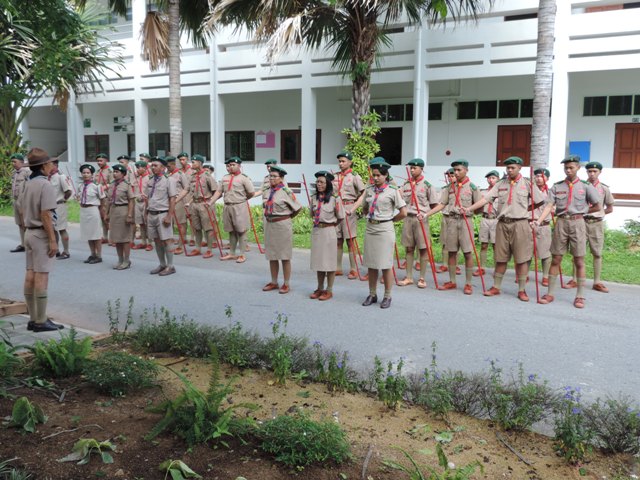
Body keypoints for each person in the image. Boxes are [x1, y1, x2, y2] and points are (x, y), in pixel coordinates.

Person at [466, 157, 545, 301]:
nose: (509, 170)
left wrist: (525, 209)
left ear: (520, 168)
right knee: (500, 257)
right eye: (507, 168)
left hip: (520, 224)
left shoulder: (527, 183)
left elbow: (539, 201)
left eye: (512, 167)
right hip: (502, 224)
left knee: (521, 258)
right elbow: (485, 199)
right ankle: (496, 287)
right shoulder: (500, 184)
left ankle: (522, 290)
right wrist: (469, 209)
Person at [535, 156, 601, 309]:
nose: (568, 170)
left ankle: (580, 296)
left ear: (578, 168)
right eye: (566, 168)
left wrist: (582, 211)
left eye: (571, 167)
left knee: (579, 260)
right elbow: (548, 206)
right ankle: (550, 293)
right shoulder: (557, 186)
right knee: (556, 259)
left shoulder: (586, 186)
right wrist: (538, 221)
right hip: (561, 223)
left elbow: (598, 206)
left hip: (578, 223)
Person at [21, 148, 64, 332]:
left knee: (30, 274)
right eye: (50, 162)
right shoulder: (45, 185)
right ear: (44, 165)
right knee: (42, 276)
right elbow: (46, 214)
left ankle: (33, 318)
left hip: (29, 232)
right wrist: (53, 240)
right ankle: (41, 320)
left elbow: (22, 209)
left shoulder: (28, 183)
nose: (52, 165)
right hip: (41, 234)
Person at [427, 160, 481, 295]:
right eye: (454, 170)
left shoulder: (473, 188)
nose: (456, 173)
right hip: (451, 221)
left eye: (458, 170)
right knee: (451, 251)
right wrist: (426, 214)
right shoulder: (449, 187)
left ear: (466, 170)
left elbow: (480, 207)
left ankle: (468, 283)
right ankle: (452, 281)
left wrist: (469, 210)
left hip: (465, 221)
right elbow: (442, 204)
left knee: (467, 253)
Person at [361, 157, 407, 308]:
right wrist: (369, 215)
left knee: (386, 264)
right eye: (373, 175)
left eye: (378, 175)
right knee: (371, 264)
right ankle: (372, 294)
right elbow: (365, 208)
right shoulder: (369, 190)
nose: (375, 178)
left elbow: (403, 212)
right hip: (371, 228)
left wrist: (391, 219)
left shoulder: (393, 191)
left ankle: (387, 296)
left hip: (385, 229)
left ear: (385, 175)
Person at [564, 161, 615, 293]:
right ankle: (574, 279)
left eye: (595, 171)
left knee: (597, 253)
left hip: (596, 224)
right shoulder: (580, 186)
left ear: (600, 172)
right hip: (580, 222)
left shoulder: (604, 188)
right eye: (589, 171)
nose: (592, 174)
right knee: (577, 252)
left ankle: (597, 282)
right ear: (586, 172)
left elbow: (609, 208)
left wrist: (598, 214)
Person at [399, 158, 439, 288]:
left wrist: (426, 214)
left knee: (423, 249)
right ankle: (409, 277)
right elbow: (399, 200)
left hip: (421, 219)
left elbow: (434, 205)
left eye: (414, 168)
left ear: (421, 169)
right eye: (410, 168)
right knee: (409, 248)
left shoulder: (427, 186)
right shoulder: (405, 185)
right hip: (408, 218)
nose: (412, 170)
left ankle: (422, 278)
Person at [261, 165, 302, 294]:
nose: (271, 178)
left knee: (284, 256)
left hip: (282, 225)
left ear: (281, 178)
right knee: (272, 255)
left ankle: (286, 283)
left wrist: (287, 217)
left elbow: (297, 208)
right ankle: (274, 282)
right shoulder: (267, 190)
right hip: (270, 225)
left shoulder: (286, 191)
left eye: (274, 176)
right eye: (270, 176)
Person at [210, 157, 255, 262]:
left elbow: (251, 192)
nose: (230, 167)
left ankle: (242, 254)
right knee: (231, 231)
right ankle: (232, 253)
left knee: (241, 230)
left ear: (239, 166)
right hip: (228, 206)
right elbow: (219, 191)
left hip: (239, 206)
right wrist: (211, 202)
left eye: (233, 165)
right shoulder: (225, 178)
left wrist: (242, 199)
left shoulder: (244, 178)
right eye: (229, 165)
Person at [309, 171, 344, 301]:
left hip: (329, 232)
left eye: (322, 182)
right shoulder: (314, 198)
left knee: (329, 262)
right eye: (317, 182)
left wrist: (331, 225)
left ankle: (329, 290)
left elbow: (341, 217)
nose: (319, 184)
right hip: (317, 231)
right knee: (319, 262)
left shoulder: (335, 199)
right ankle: (320, 288)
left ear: (328, 184)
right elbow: (312, 214)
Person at [333, 151, 365, 278]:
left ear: (350, 162)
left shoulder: (355, 177)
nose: (340, 163)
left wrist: (354, 208)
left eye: (343, 161)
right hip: (337, 209)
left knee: (350, 240)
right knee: (338, 239)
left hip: (348, 208)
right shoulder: (334, 176)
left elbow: (363, 194)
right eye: (339, 161)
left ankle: (353, 268)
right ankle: (338, 267)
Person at [146, 157, 178, 276]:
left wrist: (169, 216)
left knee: (167, 240)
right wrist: (146, 213)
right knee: (157, 240)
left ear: (163, 168)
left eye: (156, 165)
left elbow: (172, 199)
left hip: (163, 214)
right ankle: (162, 264)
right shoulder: (150, 180)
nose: (153, 167)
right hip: (152, 213)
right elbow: (148, 198)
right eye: (152, 165)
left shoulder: (169, 180)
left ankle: (170, 266)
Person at [185, 154, 219, 257]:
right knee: (197, 227)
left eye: (193, 162)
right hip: (194, 204)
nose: (191, 163)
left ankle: (209, 249)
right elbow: (188, 190)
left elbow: (216, 191)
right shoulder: (192, 176)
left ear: (199, 163)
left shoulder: (207, 176)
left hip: (205, 204)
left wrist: (210, 202)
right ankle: (197, 248)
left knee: (208, 228)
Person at [105, 164, 136, 270]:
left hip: (123, 210)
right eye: (114, 171)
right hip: (114, 211)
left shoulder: (127, 185)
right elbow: (109, 200)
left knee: (124, 238)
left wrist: (130, 215)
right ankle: (120, 259)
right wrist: (106, 213)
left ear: (123, 174)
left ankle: (126, 260)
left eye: (117, 172)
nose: (114, 174)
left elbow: (131, 200)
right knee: (116, 238)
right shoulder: (112, 184)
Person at [77, 164, 105, 264]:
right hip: (84, 210)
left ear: (92, 174)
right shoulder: (80, 186)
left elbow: (102, 199)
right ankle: (92, 254)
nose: (85, 175)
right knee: (88, 233)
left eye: (88, 173)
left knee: (95, 234)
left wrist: (102, 211)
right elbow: (79, 197)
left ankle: (99, 255)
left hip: (93, 210)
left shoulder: (97, 186)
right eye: (84, 173)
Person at [475, 170, 500, 277]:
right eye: (489, 178)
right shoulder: (483, 192)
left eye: (493, 178)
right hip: (485, 218)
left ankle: (497, 268)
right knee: (484, 245)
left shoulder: (501, 192)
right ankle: (482, 268)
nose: (491, 180)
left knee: (495, 246)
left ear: (498, 179)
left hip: (496, 220)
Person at [437, 168, 461, 274]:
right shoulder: (445, 189)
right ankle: (444, 264)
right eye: (449, 176)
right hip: (446, 217)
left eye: (452, 176)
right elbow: (440, 203)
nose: (451, 178)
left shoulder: (461, 188)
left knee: (456, 242)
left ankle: (456, 265)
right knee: (445, 241)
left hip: (456, 217)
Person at [48, 159, 72, 259]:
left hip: (59, 206)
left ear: (55, 165)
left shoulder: (61, 177)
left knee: (61, 228)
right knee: (53, 229)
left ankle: (66, 251)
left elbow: (68, 191)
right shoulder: (48, 177)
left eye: (50, 164)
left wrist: (64, 199)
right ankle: (56, 250)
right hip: (49, 207)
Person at [166, 156, 190, 255]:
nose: (167, 168)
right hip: (167, 201)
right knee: (168, 223)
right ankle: (170, 244)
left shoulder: (180, 174)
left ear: (173, 164)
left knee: (181, 224)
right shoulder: (167, 174)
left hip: (178, 201)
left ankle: (180, 245)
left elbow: (186, 188)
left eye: (168, 166)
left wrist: (178, 200)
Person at [533, 168, 553, 286]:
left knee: (545, 252)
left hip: (544, 225)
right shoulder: (529, 191)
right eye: (537, 176)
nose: (539, 179)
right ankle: (523, 275)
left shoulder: (551, 192)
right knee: (526, 251)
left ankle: (545, 276)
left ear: (547, 178)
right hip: (530, 224)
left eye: (542, 176)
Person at [10, 153, 30, 252]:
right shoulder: (14, 173)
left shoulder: (27, 172)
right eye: (12, 162)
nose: (13, 164)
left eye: (15, 162)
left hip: (24, 201)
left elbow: (30, 187)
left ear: (22, 162)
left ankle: (29, 244)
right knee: (19, 223)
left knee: (25, 223)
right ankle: (23, 244)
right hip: (16, 200)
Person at [132, 160, 152, 251]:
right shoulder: (137, 178)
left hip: (146, 202)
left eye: (139, 168)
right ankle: (143, 242)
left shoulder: (149, 178)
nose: (137, 170)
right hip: (138, 202)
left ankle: (150, 242)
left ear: (144, 168)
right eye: (137, 168)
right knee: (141, 223)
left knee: (147, 223)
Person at [95, 153, 113, 243]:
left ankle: (112, 237)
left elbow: (112, 183)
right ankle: (105, 237)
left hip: (106, 196)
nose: (99, 162)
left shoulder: (110, 171)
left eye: (101, 161)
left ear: (106, 160)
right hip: (98, 197)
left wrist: (103, 188)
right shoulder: (98, 171)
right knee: (102, 217)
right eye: (98, 161)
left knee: (107, 217)